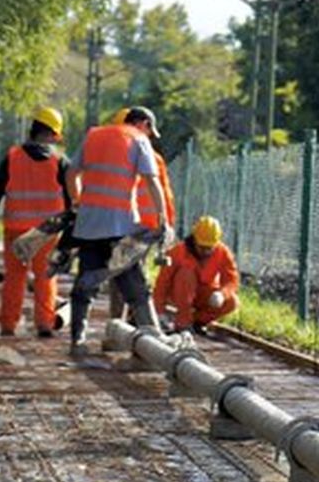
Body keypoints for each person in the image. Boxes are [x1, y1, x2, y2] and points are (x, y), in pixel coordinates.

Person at [64, 105, 169, 357]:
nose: (150, 135)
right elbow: (152, 181)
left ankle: (77, 341)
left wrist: (78, 202)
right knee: (135, 286)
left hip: (89, 226)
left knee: (85, 285)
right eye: (149, 130)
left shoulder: (94, 135)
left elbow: (71, 174)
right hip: (120, 226)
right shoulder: (138, 139)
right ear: (142, 123)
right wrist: (162, 218)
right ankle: (158, 344)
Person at [0, 106, 73, 337]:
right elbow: (70, 200)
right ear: (51, 134)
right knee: (45, 277)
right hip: (47, 232)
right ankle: (45, 323)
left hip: (16, 230)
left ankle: (8, 324)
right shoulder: (60, 162)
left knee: (14, 278)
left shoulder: (13, 157)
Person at [106, 107, 177, 322]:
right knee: (132, 275)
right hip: (141, 226)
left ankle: (122, 324)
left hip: (130, 226)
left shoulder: (112, 156)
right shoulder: (151, 157)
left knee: (121, 275)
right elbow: (164, 194)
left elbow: (164, 193)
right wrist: (167, 224)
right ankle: (133, 324)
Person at [154, 215, 239, 334]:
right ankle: (183, 322)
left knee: (232, 302)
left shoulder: (223, 252)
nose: (206, 251)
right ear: (194, 240)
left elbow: (232, 280)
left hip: (203, 294)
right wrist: (159, 311)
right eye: (202, 247)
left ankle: (196, 322)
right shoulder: (177, 252)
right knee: (186, 274)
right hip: (179, 294)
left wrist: (222, 294)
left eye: (209, 248)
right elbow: (162, 283)